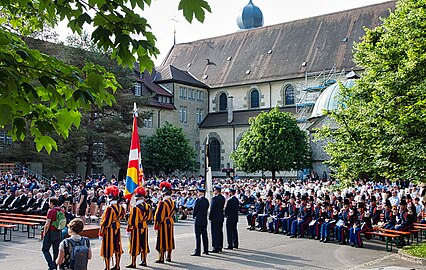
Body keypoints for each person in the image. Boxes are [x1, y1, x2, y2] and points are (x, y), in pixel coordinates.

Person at [99, 185, 125, 270]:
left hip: (109, 230)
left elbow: (106, 222)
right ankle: (117, 266)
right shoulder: (121, 208)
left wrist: (101, 231)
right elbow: (121, 217)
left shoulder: (109, 208)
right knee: (117, 246)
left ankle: (107, 267)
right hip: (117, 228)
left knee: (108, 248)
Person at [126, 186, 152, 268]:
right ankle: (144, 261)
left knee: (134, 244)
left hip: (136, 228)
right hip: (144, 226)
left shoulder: (135, 208)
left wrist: (129, 228)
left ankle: (133, 263)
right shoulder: (147, 206)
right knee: (144, 244)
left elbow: (132, 221)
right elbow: (149, 217)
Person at [154, 181, 175, 263]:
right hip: (170, 221)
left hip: (163, 223)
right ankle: (169, 256)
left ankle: (161, 257)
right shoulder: (172, 202)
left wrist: (156, 224)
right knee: (170, 239)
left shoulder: (162, 203)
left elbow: (159, 215)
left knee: (161, 239)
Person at [42, 197, 63, 270]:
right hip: (58, 231)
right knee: (56, 250)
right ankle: (55, 264)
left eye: (49, 202)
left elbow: (47, 223)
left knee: (45, 249)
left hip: (51, 231)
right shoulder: (61, 210)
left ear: (51, 203)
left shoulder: (51, 211)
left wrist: (44, 232)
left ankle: (51, 265)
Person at [191, 187, 209, 256]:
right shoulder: (206, 200)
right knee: (205, 235)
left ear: (201, 193)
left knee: (198, 236)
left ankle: (197, 251)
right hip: (204, 219)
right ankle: (206, 250)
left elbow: (195, 209)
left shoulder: (198, 200)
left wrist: (194, 215)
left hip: (198, 220)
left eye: (198, 192)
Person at [209, 185, 225, 253]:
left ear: (216, 191)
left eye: (214, 190)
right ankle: (220, 246)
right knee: (220, 232)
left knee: (215, 233)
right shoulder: (223, 198)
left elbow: (212, 209)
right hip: (220, 217)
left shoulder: (215, 199)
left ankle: (215, 247)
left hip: (215, 218)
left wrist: (210, 217)